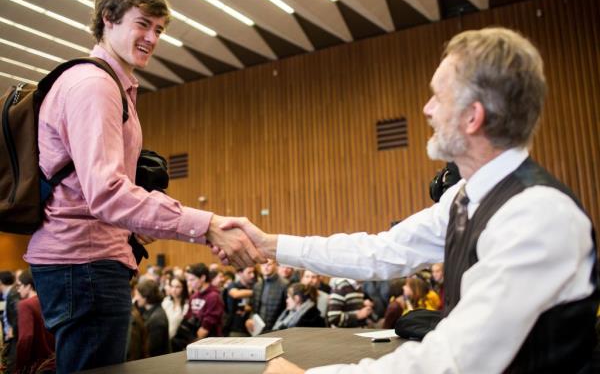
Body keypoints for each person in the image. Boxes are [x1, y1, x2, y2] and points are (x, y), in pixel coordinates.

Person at [221, 27, 598, 373]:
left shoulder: (538, 216)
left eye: (437, 96)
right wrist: (269, 244)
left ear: (472, 117)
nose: (427, 109)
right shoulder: (463, 198)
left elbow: (456, 361)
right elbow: (379, 252)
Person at [22, 0, 262, 372]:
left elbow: (92, 190)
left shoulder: (106, 84)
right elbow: (108, 194)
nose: (152, 37)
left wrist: (133, 225)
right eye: (143, 23)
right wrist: (207, 225)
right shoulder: (95, 85)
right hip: (85, 263)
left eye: (159, 29)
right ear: (108, 20)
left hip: (85, 261)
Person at [171, 263, 224, 351]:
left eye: (192, 279)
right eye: (188, 280)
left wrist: (189, 346)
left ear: (203, 278)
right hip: (196, 342)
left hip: (212, 344)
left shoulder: (213, 296)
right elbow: (188, 318)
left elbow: (205, 329)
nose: (189, 283)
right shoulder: (194, 296)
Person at [15, 270, 55, 373]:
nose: (17, 290)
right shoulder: (49, 300)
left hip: (37, 366)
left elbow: (25, 338)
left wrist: (19, 366)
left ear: (28, 286)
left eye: (19, 286)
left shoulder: (25, 305)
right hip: (55, 363)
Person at [246, 260, 288, 334]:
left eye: (269, 265)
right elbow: (254, 308)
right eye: (263, 264)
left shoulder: (284, 285)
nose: (265, 267)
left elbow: (287, 311)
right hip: (258, 330)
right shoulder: (257, 285)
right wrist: (250, 319)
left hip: (277, 330)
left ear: (275, 265)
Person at [133, 279, 169, 357]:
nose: (135, 298)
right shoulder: (148, 310)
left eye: (137, 295)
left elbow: (151, 349)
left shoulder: (157, 319)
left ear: (145, 296)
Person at [223, 266, 256, 337]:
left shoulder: (255, 285)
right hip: (236, 329)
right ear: (240, 273)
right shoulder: (233, 285)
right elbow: (235, 294)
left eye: (253, 272)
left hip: (252, 329)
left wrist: (249, 308)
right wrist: (256, 292)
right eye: (249, 272)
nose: (252, 275)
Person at [0, 271, 20, 373]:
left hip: (15, 337)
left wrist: (12, 330)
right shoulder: (9, 294)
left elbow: (18, 314)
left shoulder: (13, 294)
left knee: (12, 368)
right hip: (10, 337)